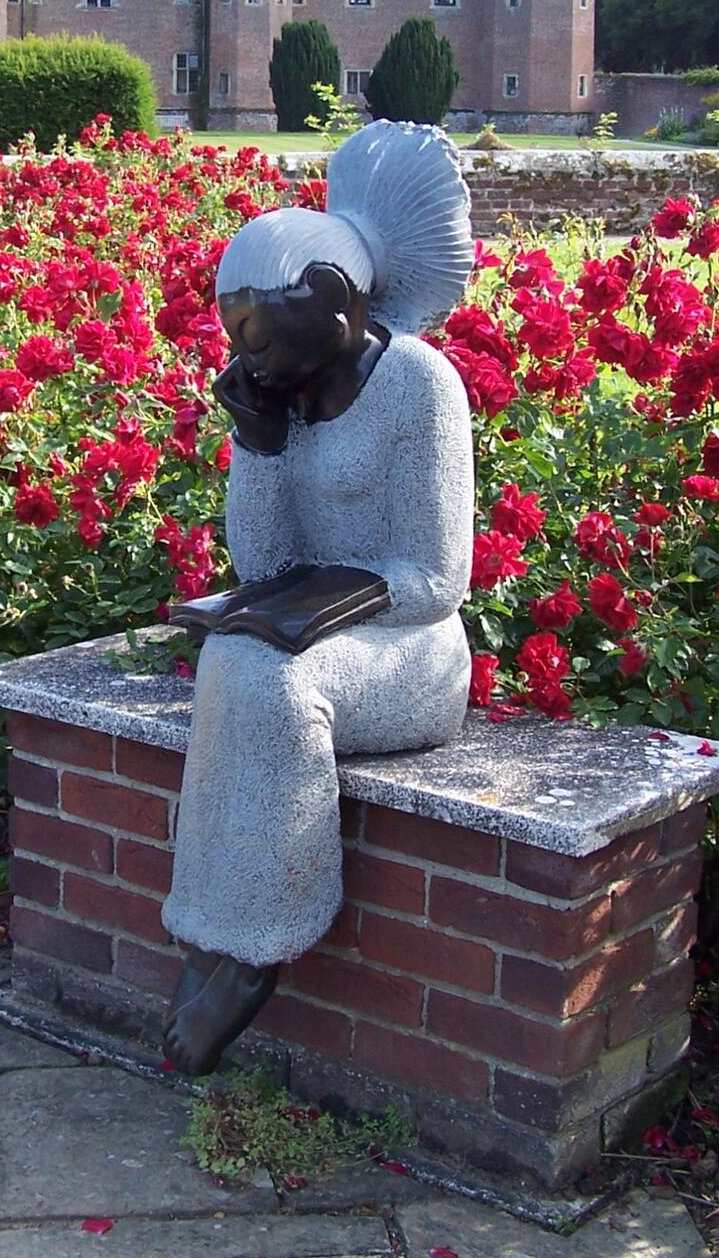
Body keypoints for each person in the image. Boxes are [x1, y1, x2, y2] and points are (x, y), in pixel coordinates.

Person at [161, 120, 477, 1075]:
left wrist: (322, 608)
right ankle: (210, 925)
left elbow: (438, 578)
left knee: (270, 679)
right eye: (239, 341)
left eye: (263, 343)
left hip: (413, 648)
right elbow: (263, 563)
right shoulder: (279, 397)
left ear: (337, 311)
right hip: (316, 630)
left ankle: (262, 946)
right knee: (233, 655)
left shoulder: (419, 384)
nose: (249, 363)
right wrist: (258, 442)